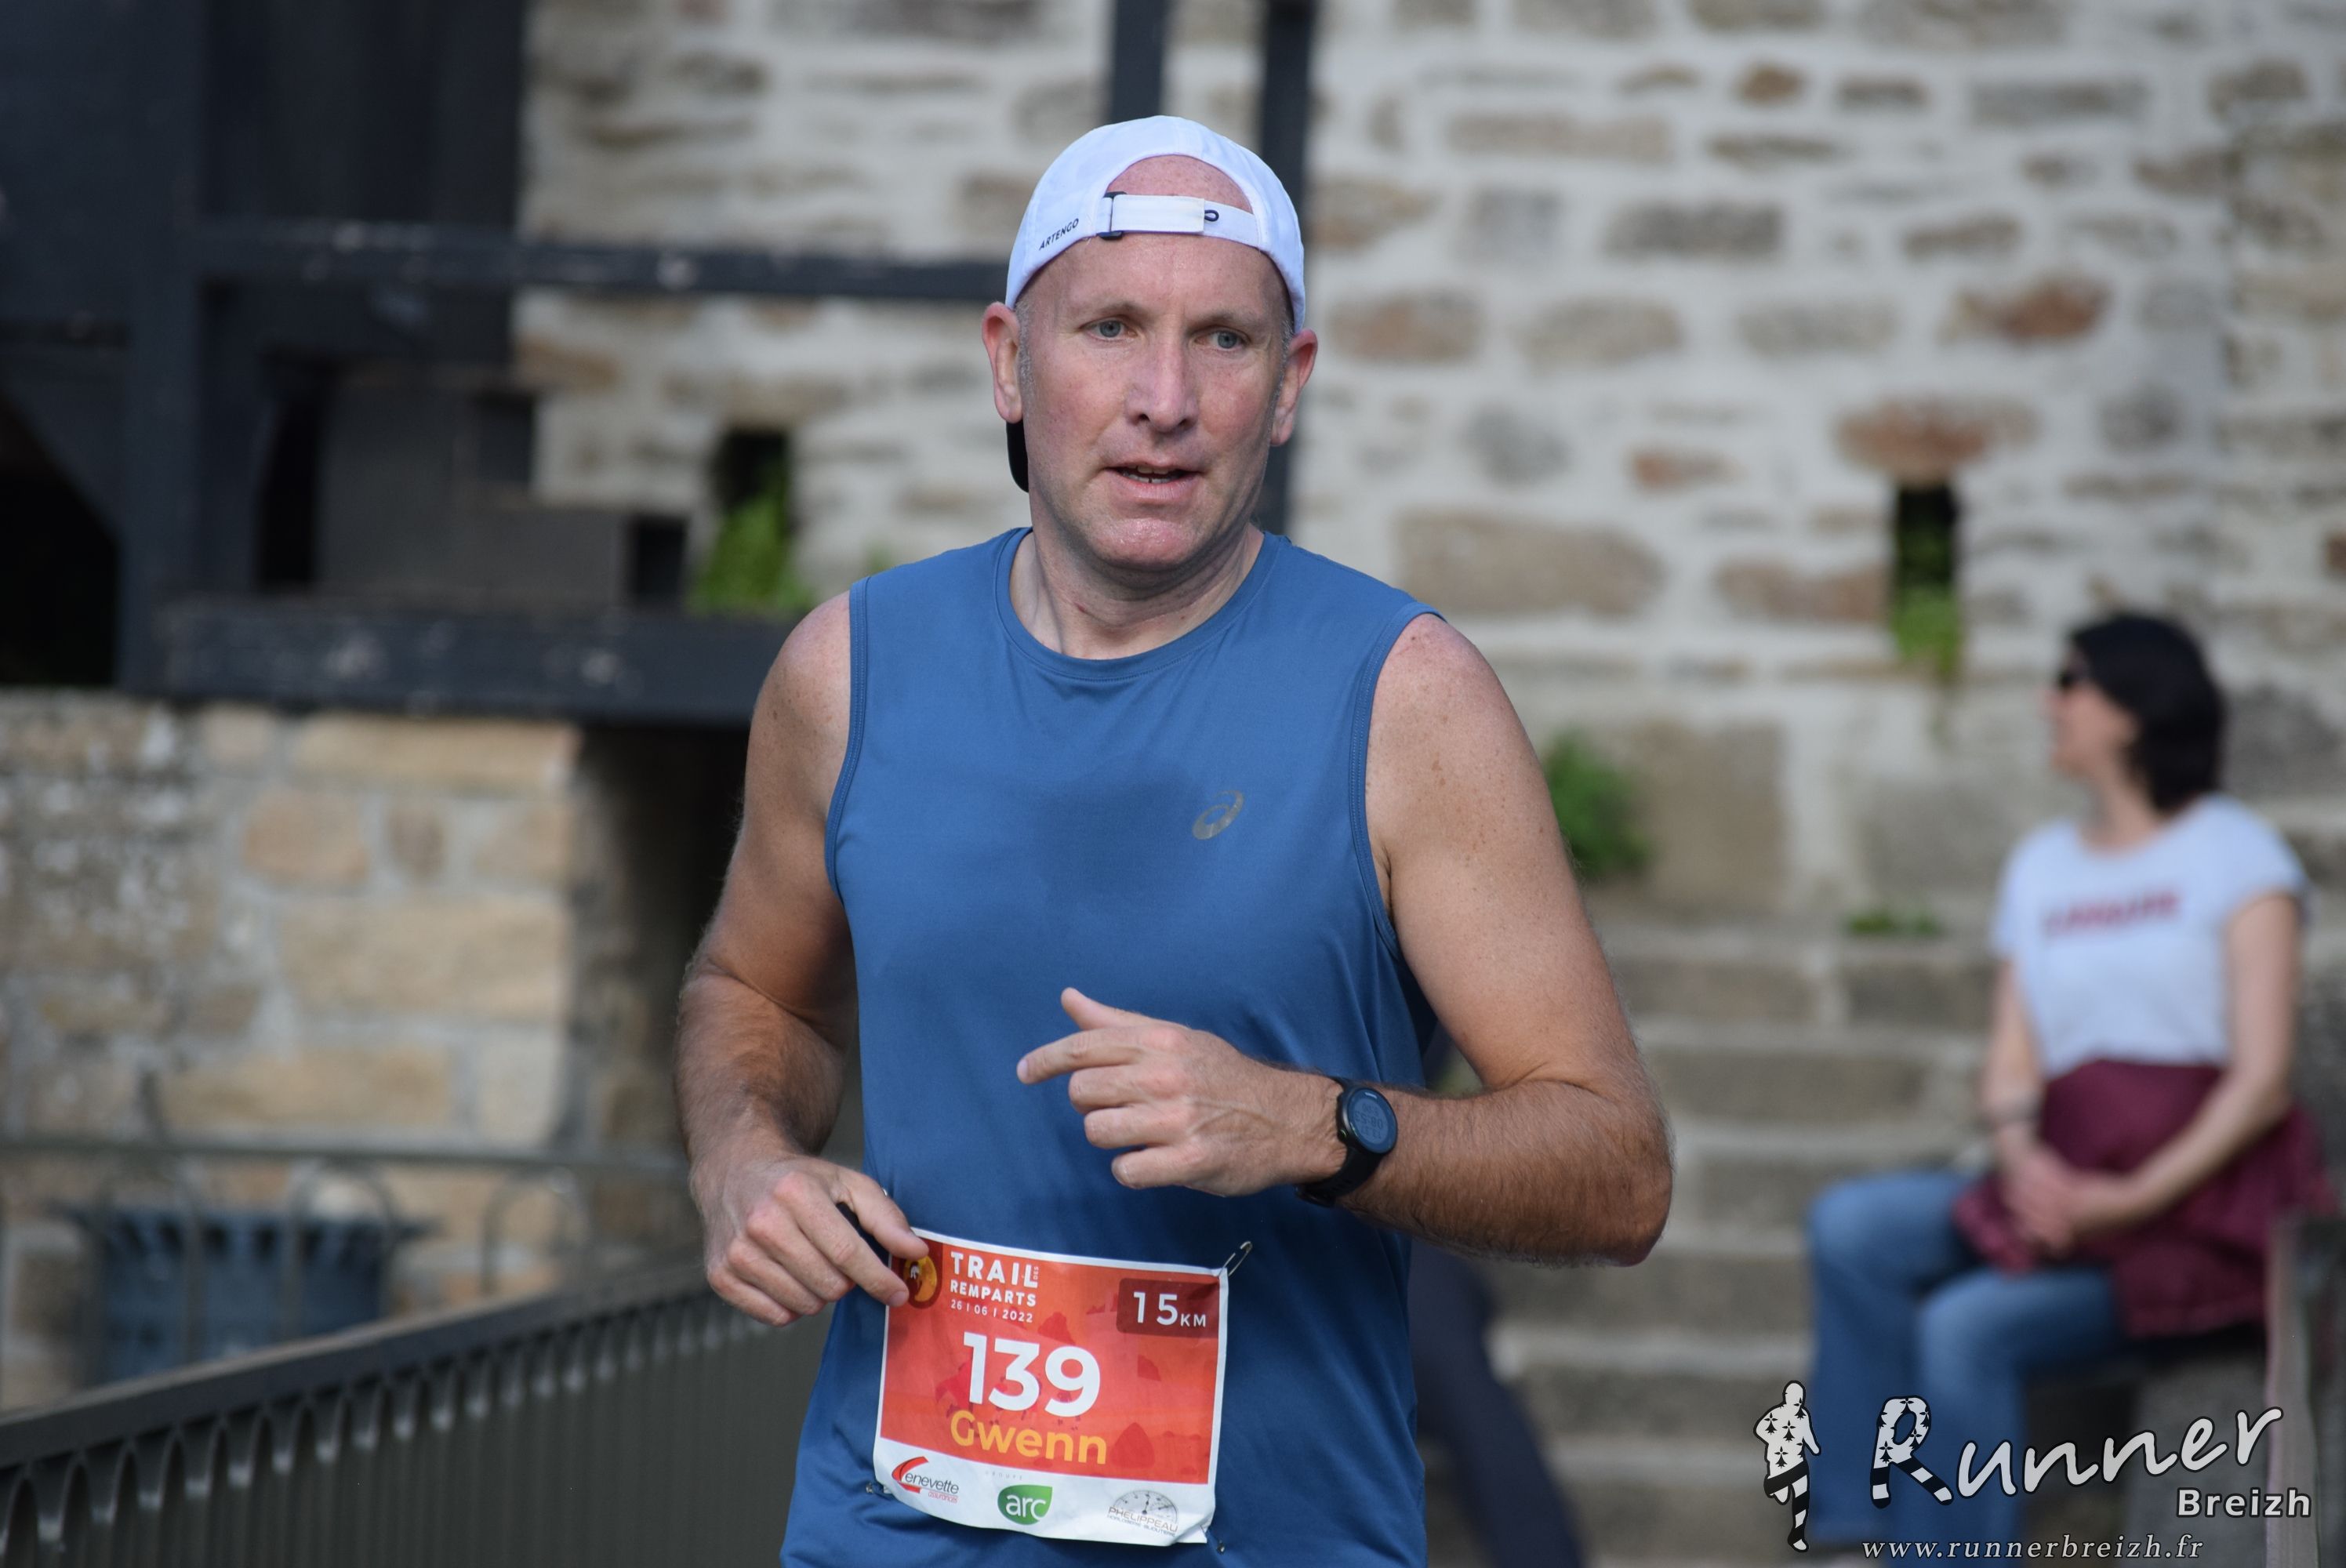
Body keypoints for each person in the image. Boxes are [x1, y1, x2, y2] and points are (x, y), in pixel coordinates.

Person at [673, 114, 1672, 1567]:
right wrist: (741, 1161)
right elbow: (754, 993)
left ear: (1290, 385)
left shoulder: (1406, 699)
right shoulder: (849, 671)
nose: (1164, 400)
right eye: (1112, 329)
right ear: (1009, 360)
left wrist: (1313, 1126)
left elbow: (1617, 1169)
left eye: (1223, 342)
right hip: (886, 1532)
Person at [1801, 612, 2333, 1549]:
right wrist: (2024, 1163)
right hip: (2062, 1174)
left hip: (2191, 1209)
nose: (2048, 702)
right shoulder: (2042, 865)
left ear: (2131, 708)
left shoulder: (2238, 854)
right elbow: (2011, 1058)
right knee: (1851, 1226)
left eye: (2069, 681)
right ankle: (1851, 1525)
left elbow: (2260, 1082)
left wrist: (2126, 1197)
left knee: (1964, 1327)